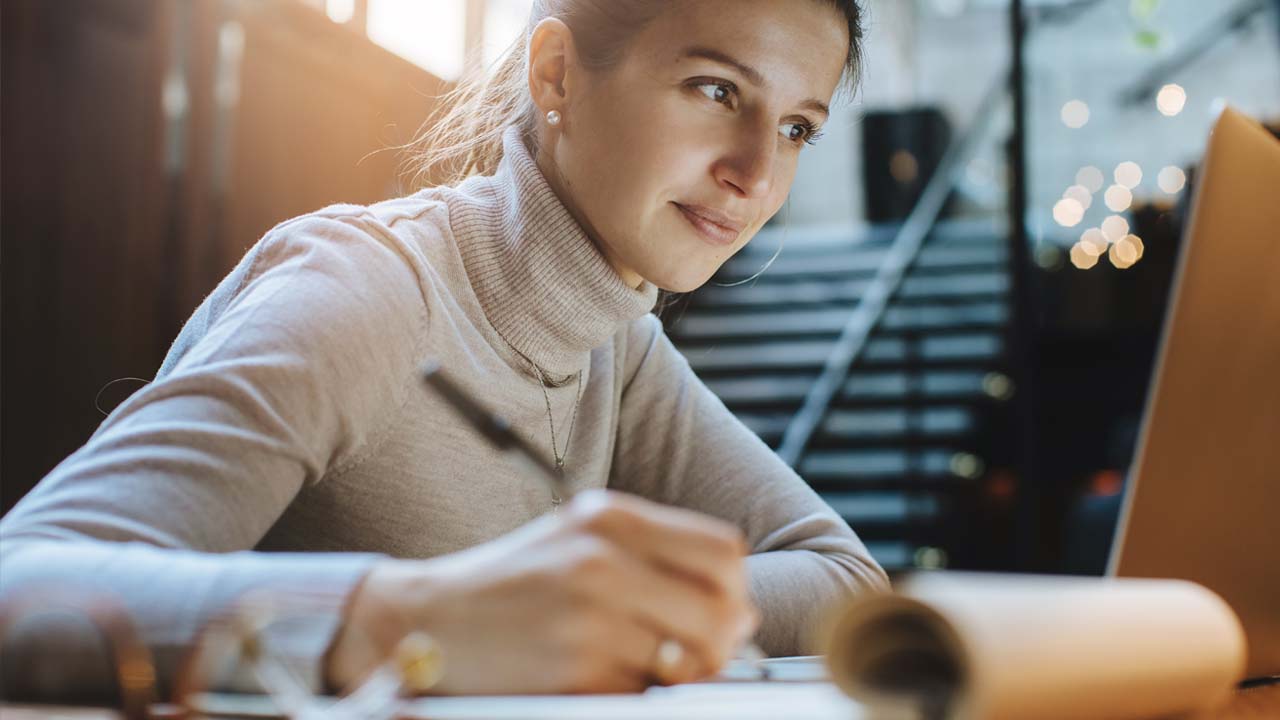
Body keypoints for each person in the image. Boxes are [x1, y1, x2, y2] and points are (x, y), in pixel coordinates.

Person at [0, 0, 886, 700]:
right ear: (557, 75)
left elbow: (848, 583)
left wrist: (623, 604)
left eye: (798, 128)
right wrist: (411, 621)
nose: (757, 172)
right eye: (717, 90)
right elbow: (23, 585)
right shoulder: (368, 290)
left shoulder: (622, 346)